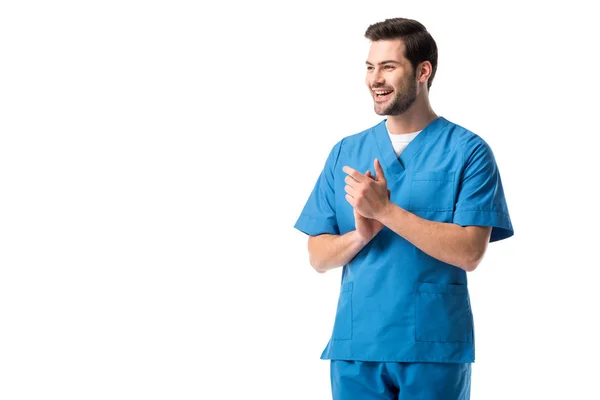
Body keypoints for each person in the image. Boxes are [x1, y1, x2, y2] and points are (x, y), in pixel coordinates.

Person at [293, 17, 514, 400]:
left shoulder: (468, 151)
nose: (374, 79)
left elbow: (470, 252)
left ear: (423, 71)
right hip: (356, 347)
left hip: (431, 348)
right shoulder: (346, 152)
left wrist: (385, 212)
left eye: (388, 67)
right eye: (369, 67)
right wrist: (361, 236)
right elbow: (318, 256)